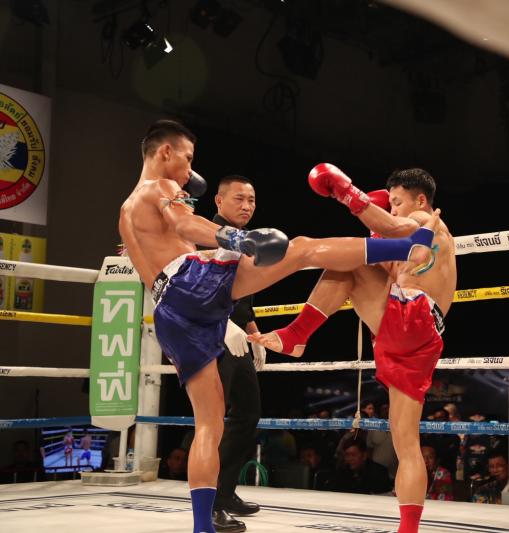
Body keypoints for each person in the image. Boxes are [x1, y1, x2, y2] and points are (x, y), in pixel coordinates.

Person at [118, 121, 439, 533]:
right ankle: (407, 246)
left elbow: (157, 253)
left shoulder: (125, 213)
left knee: (208, 425)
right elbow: (185, 226)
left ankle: (202, 527)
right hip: (190, 282)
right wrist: (237, 239)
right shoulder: (159, 187)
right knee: (302, 248)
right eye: (187, 157)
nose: (189, 169)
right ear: (165, 152)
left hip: (167, 310)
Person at [251, 165, 456, 533]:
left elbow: (391, 228)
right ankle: (408, 529)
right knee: (406, 443)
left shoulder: (425, 219)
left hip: (413, 317)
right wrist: (377, 233)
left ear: (420, 200)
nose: (393, 209)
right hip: (422, 338)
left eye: (397, 202)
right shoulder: (417, 246)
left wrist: (346, 192)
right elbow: (391, 253)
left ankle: (297, 334)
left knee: (349, 265)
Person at [207, 176, 266, 532]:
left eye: (252, 199)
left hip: (238, 336)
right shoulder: (206, 234)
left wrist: (253, 329)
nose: (247, 206)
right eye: (239, 199)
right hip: (210, 334)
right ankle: (210, 506)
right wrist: (222, 323)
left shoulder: (247, 239)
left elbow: (243, 292)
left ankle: (225, 492)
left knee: (248, 413)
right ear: (219, 201)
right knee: (213, 421)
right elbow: (193, 287)